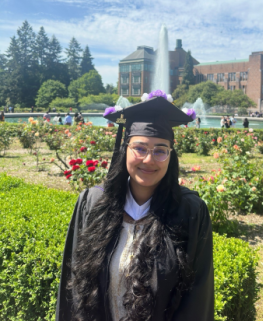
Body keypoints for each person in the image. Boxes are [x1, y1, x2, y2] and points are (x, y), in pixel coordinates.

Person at [55, 93, 214, 321]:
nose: (149, 160)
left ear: (171, 156)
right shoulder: (93, 203)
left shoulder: (190, 212)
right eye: (140, 148)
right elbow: (73, 286)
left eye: (160, 150)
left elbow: (197, 300)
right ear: (125, 149)